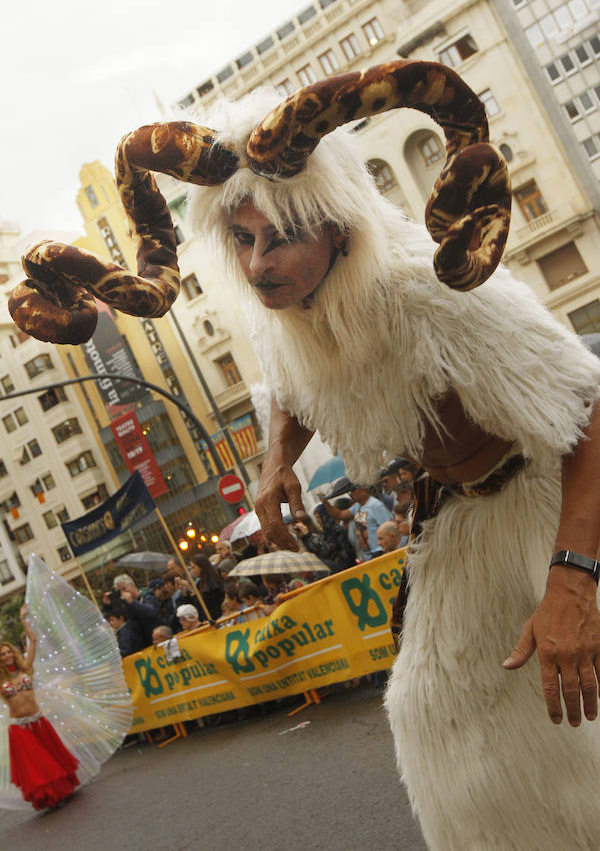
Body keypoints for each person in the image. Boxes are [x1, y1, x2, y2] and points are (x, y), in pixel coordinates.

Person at [11, 60, 600, 848]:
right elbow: (287, 388)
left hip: (559, 500)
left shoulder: (428, 290)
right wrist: (273, 464)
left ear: (339, 227)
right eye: (243, 239)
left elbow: (589, 410)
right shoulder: (285, 318)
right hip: (463, 525)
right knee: (437, 713)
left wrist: (572, 581)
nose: (259, 263)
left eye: (282, 236)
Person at [0, 606, 79, 811]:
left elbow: (33, 641)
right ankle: (51, 796)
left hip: (37, 721)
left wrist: (23, 619)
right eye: (2, 654)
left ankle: (60, 791)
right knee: (39, 766)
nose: (7, 656)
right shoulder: (1, 681)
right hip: (20, 728)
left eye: (9, 652)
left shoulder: (26, 667)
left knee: (51, 759)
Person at [321, 485, 390, 561]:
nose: (351, 494)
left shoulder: (376, 505)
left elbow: (388, 527)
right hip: (367, 556)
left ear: (363, 490)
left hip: (380, 553)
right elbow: (340, 515)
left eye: (353, 491)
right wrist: (325, 502)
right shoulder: (357, 506)